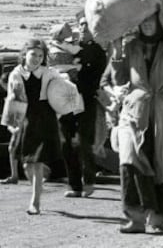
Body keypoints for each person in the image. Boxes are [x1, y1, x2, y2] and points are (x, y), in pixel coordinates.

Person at [110, 13, 163, 233]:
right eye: (143, 20)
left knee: (161, 160)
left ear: (159, 23)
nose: (146, 24)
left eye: (151, 20)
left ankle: (157, 216)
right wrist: (116, 53)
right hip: (134, 110)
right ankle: (135, 217)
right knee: (129, 160)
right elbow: (118, 79)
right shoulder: (131, 46)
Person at [2, 39, 62, 214]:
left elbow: (62, 91)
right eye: (33, 54)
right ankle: (40, 179)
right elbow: (13, 98)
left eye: (40, 55)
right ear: (25, 54)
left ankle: (35, 202)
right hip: (25, 117)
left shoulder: (49, 73)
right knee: (28, 163)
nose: (36, 58)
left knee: (37, 161)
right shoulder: (16, 73)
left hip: (45, 117)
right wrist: (13, 124)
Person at [61, 16, 107, 198]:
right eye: (81, 24)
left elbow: (98, 77)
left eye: (87, 25)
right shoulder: (69, 48)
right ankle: (74, 185)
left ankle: (88, 181)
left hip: (86, 100)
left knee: (85, 141)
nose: (83, 28)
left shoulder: (97, 52)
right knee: (66, 142)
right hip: (66, 100)